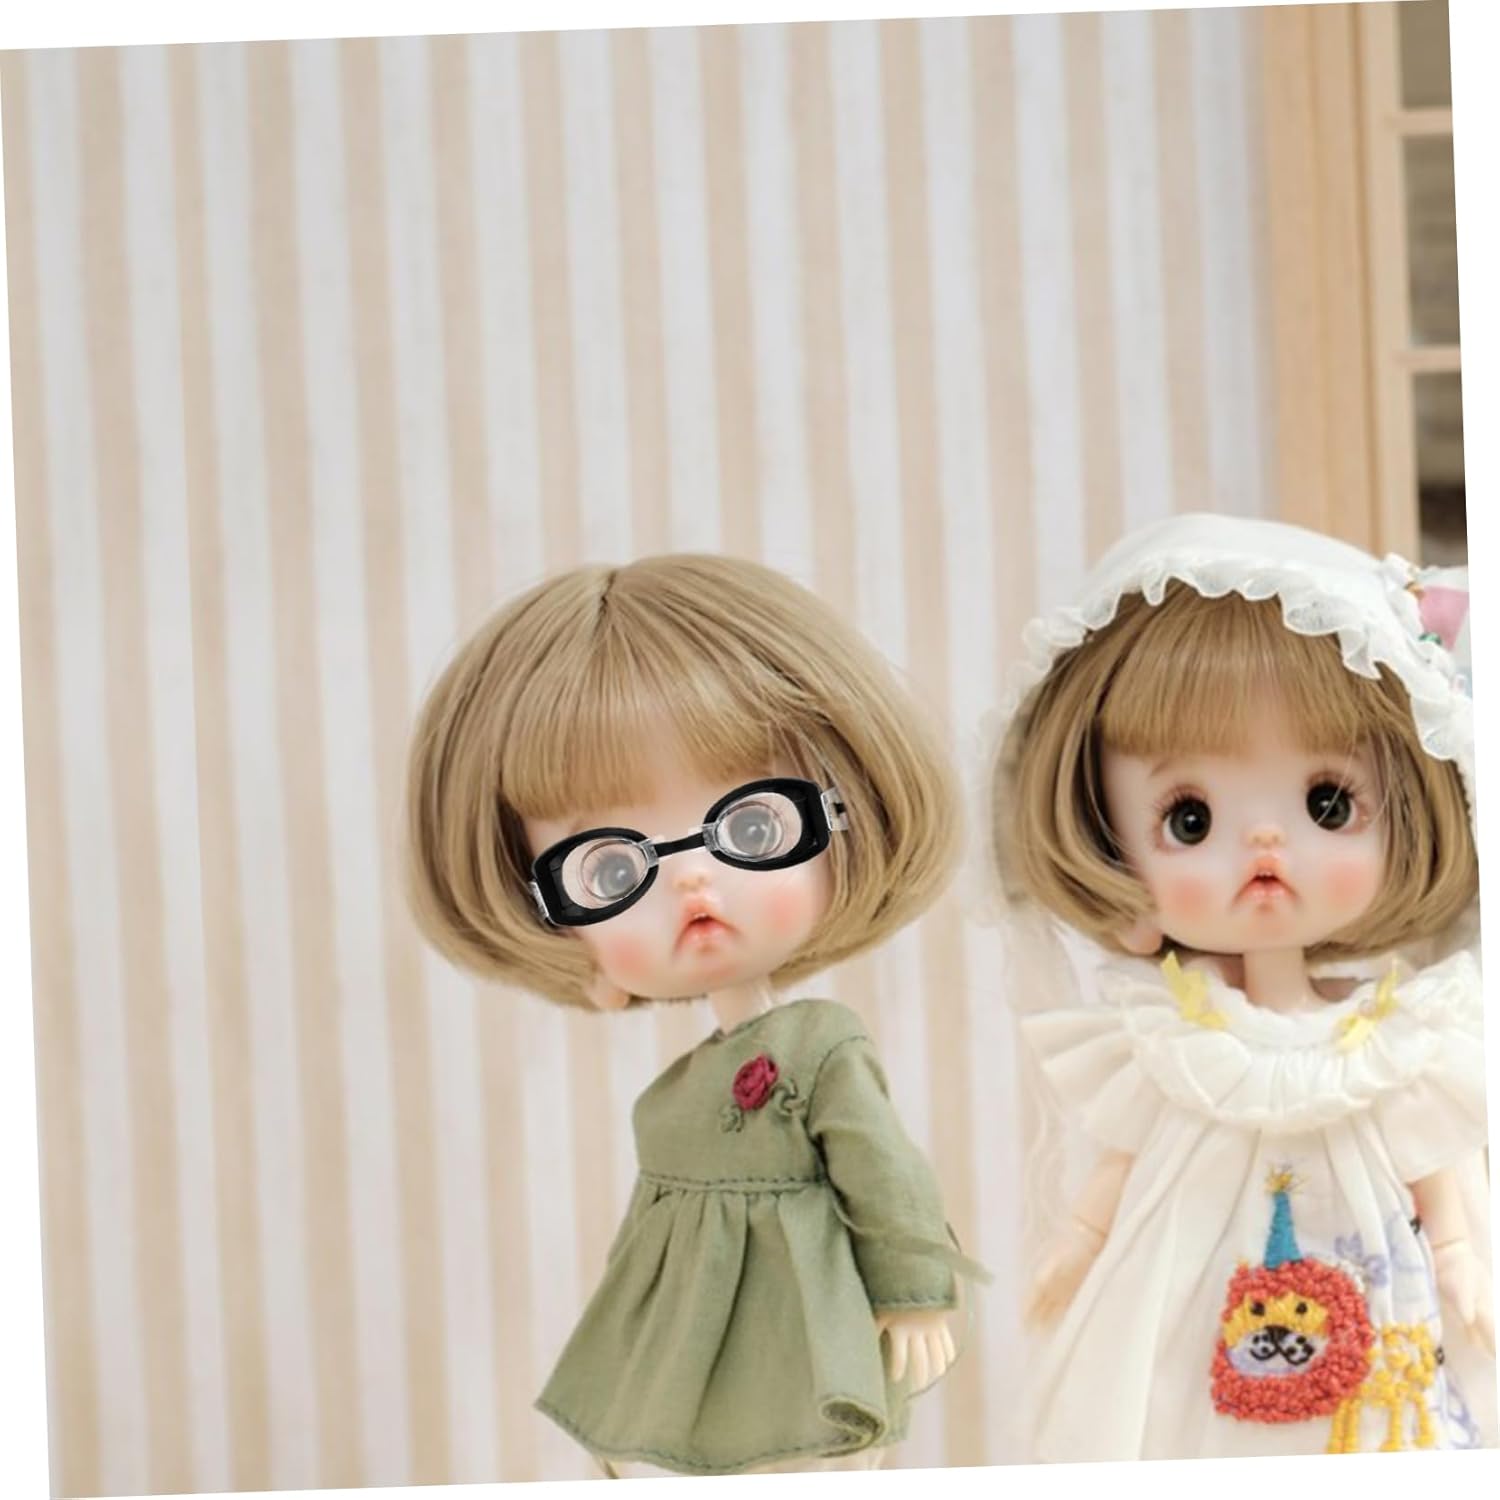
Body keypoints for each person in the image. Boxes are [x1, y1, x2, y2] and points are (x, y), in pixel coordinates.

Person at [405, 554, 980, 1475]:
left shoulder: (820, 1047)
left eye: (751, 827)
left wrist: (915, 1291)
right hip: (686, 1329)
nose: (692, 882)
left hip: (797, 1328)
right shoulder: (681, 1089)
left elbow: (884, 1172)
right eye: (611, 867)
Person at [988, 513, 1493, 1459]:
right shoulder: (1174, 1036)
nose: (1265, 843)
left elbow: (1431, 1151)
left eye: (1327, 804)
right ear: (1113, 842)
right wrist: (1081, 1239)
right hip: (1192, 1280)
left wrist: (1460, 1251)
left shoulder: (1395, 1032)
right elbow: (1122, 1164)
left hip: (1375, 1280)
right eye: (1190, 819)